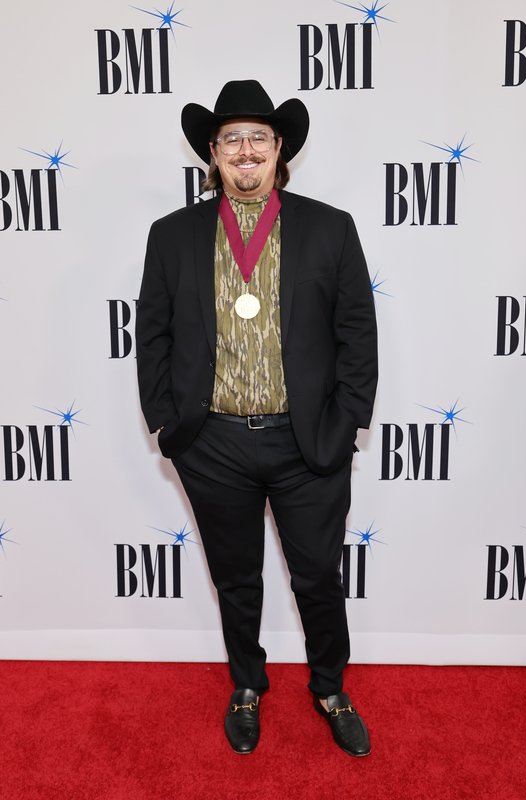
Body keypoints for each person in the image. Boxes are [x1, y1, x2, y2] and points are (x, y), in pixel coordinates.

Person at [136, 80, 378, 756]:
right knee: (235, 579)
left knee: (316, 580)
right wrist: (166, 424)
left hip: (307, 444)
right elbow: (150, 335)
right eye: (231, 139)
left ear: (280, 150)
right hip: (210, 444)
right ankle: (247, 684)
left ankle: (329, 687)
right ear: (211, 154)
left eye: (258, 138)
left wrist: (346, 421)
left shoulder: (331, 227)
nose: (245, 150)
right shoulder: (171, 235)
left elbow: (357, 333)